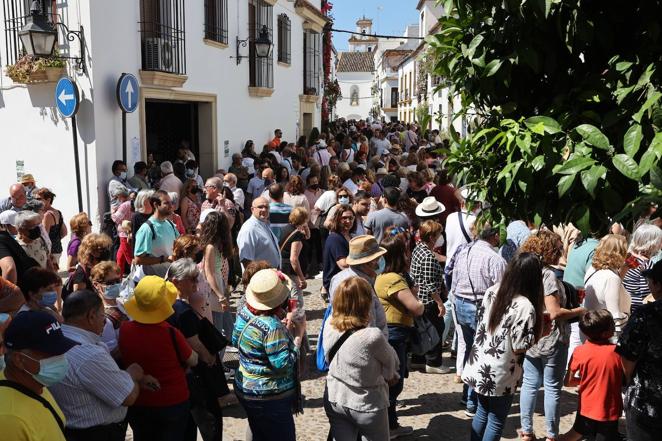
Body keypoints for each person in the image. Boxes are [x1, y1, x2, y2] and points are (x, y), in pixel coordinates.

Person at [461, 253, 546, 441]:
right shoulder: (525, 305)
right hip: (501, 371)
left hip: (482, 362)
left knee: (482, 412)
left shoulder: (493, 290)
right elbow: (519, 346)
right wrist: (540, 334)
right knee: (496, 420)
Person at [49, 290, 154, 441]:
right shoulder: (89, 355)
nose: (104, 322)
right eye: (102, 316)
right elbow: (128, 396)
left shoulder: (58, 338)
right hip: (96, 434)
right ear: (91, 316)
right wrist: (133, 374)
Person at [518, 230, 587, 441]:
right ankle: (551, 435)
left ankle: (527, 431)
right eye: (558, 249)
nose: (561, 252)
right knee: (551, 388)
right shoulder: (546, 274)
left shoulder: (525, 272)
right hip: (551, 337)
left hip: (531, 335)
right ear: (549, 250)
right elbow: (555, 312)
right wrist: (580, 310)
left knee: (529, 384)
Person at [119, 276, 198, 441]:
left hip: (139, 400)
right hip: (172, 401)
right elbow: (192, 360)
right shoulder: (170, 332)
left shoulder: (125, 329)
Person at [232, 269, 306, 441]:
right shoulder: (272, 327)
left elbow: (236, 341)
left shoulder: (244, 312)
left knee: (260, 434)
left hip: (246, 390)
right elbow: (283, 365)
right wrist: (298, 336)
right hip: (269, 397)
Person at [323, 276, 399, 441]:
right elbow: (392, 364)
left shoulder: (330, 323)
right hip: (366, 403)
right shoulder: (372, 336)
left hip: (335, 397)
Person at [448, 227, 507, 416]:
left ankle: (467, 396)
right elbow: (502, 292)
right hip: (479, 307)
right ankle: (473, 403)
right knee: (479, 354)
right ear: (494, 236)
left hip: (461, 304)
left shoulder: (464, 251)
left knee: (469, 351)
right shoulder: (495, 258)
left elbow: (453, 280)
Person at [166, 258, 226, 441]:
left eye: (196, 277)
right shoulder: (182, 310)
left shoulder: (167, 305)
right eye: (191, 279)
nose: (196, 282)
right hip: (197, 375)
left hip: (183, 374)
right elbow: (194, 343)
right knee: (211, 422)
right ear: (176, 281)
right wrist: (209, 357)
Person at [0, 310, 77, 441]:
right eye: (51, 354)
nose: (61, 359)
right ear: (19, 359)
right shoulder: (9, 419)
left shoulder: (35, 383)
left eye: (61, 352)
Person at [376, 231, 424, 437]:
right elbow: (417, 308)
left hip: (395, 333)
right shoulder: (394, 280)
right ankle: (387, 427)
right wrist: (417, 297)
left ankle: (391, 425)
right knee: (394, 382)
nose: (408, 254)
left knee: (393, 381)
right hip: (395, 335)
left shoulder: (383, 277)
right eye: (405, 250)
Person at [559, 310, 622, 441]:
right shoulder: (618, 352)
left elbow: (567, 382)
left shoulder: (579, 351)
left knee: (576, 433)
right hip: (609, 409)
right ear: (606, 332)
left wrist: (584, 380)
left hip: (586, 407)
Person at [616, 259, 662, 440]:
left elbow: (627, 357)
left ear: (658, 285)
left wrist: (627, 380)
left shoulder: (646, 314)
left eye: (650, 281)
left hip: (646, 402)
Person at [410, 220, 450, 373]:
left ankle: (418, 360)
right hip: (427, 301)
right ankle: (433, 363)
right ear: (432, 237)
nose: (441, 237)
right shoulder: (427, 256)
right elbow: (430, 284)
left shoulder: (419, 249)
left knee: (422, 329)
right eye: (439, 234)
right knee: (435, 329)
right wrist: (439, 302)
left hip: (419, 298)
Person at [328, 235, 389, 336]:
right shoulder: (360, 287)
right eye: (378, 258)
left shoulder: (338, 277)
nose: (381, 261)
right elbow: (368, 325)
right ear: (370, 263)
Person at [583, 234, 631, 340]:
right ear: (620, 253)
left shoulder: (592, 269)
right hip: (605, 339)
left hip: (590, 333)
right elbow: (614, 317)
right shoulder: (611, 278)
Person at [199, 211, 233, 338]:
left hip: (218, 285)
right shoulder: (211, 247)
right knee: (217, 329)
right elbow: (209, 273)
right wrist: (220, 296)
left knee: (225, 326)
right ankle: (217, 357)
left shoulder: (216, 246)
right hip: (214, 288)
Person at [133, 190, 180, 277]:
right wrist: (163, 259)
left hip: (168, 278)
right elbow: (138, 259)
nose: (171, 206)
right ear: (155, 205)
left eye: (171, 202)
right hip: (153, 282)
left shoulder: (169, 224)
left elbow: (178, 243)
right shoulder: (147, 228)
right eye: (166, 203)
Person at [623, 224, 662, 314]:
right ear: (652, 243)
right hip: (639, 309)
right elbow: (646, 292)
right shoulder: (647, 264)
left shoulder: (629, 259)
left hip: (628, 306)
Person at [237, 197, 281, 269]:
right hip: (259, 277)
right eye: (260, 207)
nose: (264, 209)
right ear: (252, 209)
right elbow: (246, 260)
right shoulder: (249, 229)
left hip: (271, 275)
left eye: (266, 207)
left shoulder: (263, 224)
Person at [322, 205, 355, 294]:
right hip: (338, 285)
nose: (348, 221)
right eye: (344, 218)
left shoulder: (350, 236)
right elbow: (343, 265)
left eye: (351, 218)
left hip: (347, 282)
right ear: (337, 219)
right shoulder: (335, 238)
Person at [0, 211, 38, 286]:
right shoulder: (7, 238)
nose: (17, 228)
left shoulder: (3, 240)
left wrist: (6, 294)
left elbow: (9, 269)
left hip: (23, 290)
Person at [33, 188, 67, 270]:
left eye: (38, 199)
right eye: (35, 199)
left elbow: (44, 237)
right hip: (57, 249)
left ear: (48, 200)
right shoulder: (57, 212)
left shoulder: (47, 215)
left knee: (49, 279)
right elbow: (64, 232)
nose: (36, 201)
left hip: (50, 253)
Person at [279, 207, 310, 291]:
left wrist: (306, 227)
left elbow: (307, 236)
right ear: (304, 219)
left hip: (283, 267)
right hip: (291, 272)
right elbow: (293, 259)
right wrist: (302, 279)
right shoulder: (297, 235)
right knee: (297, 300)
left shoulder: (286, 228)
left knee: (286, 295)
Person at [445, 189, 478, 262]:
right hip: (464, 265)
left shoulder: (450, 217)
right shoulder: (476, 222)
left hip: (449, 265)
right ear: (478, 206)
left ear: (462, 203)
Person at [110, 188, 134, 275]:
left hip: (124, 234)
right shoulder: (131, 202)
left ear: (120, 196)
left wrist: (112, 212)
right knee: (120, 257)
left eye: (117, 197)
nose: (117, 199)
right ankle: (118, 276)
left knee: (129, 258)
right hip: (128, 233)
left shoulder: (124, 205)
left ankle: (135, 276)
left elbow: (116, 218)